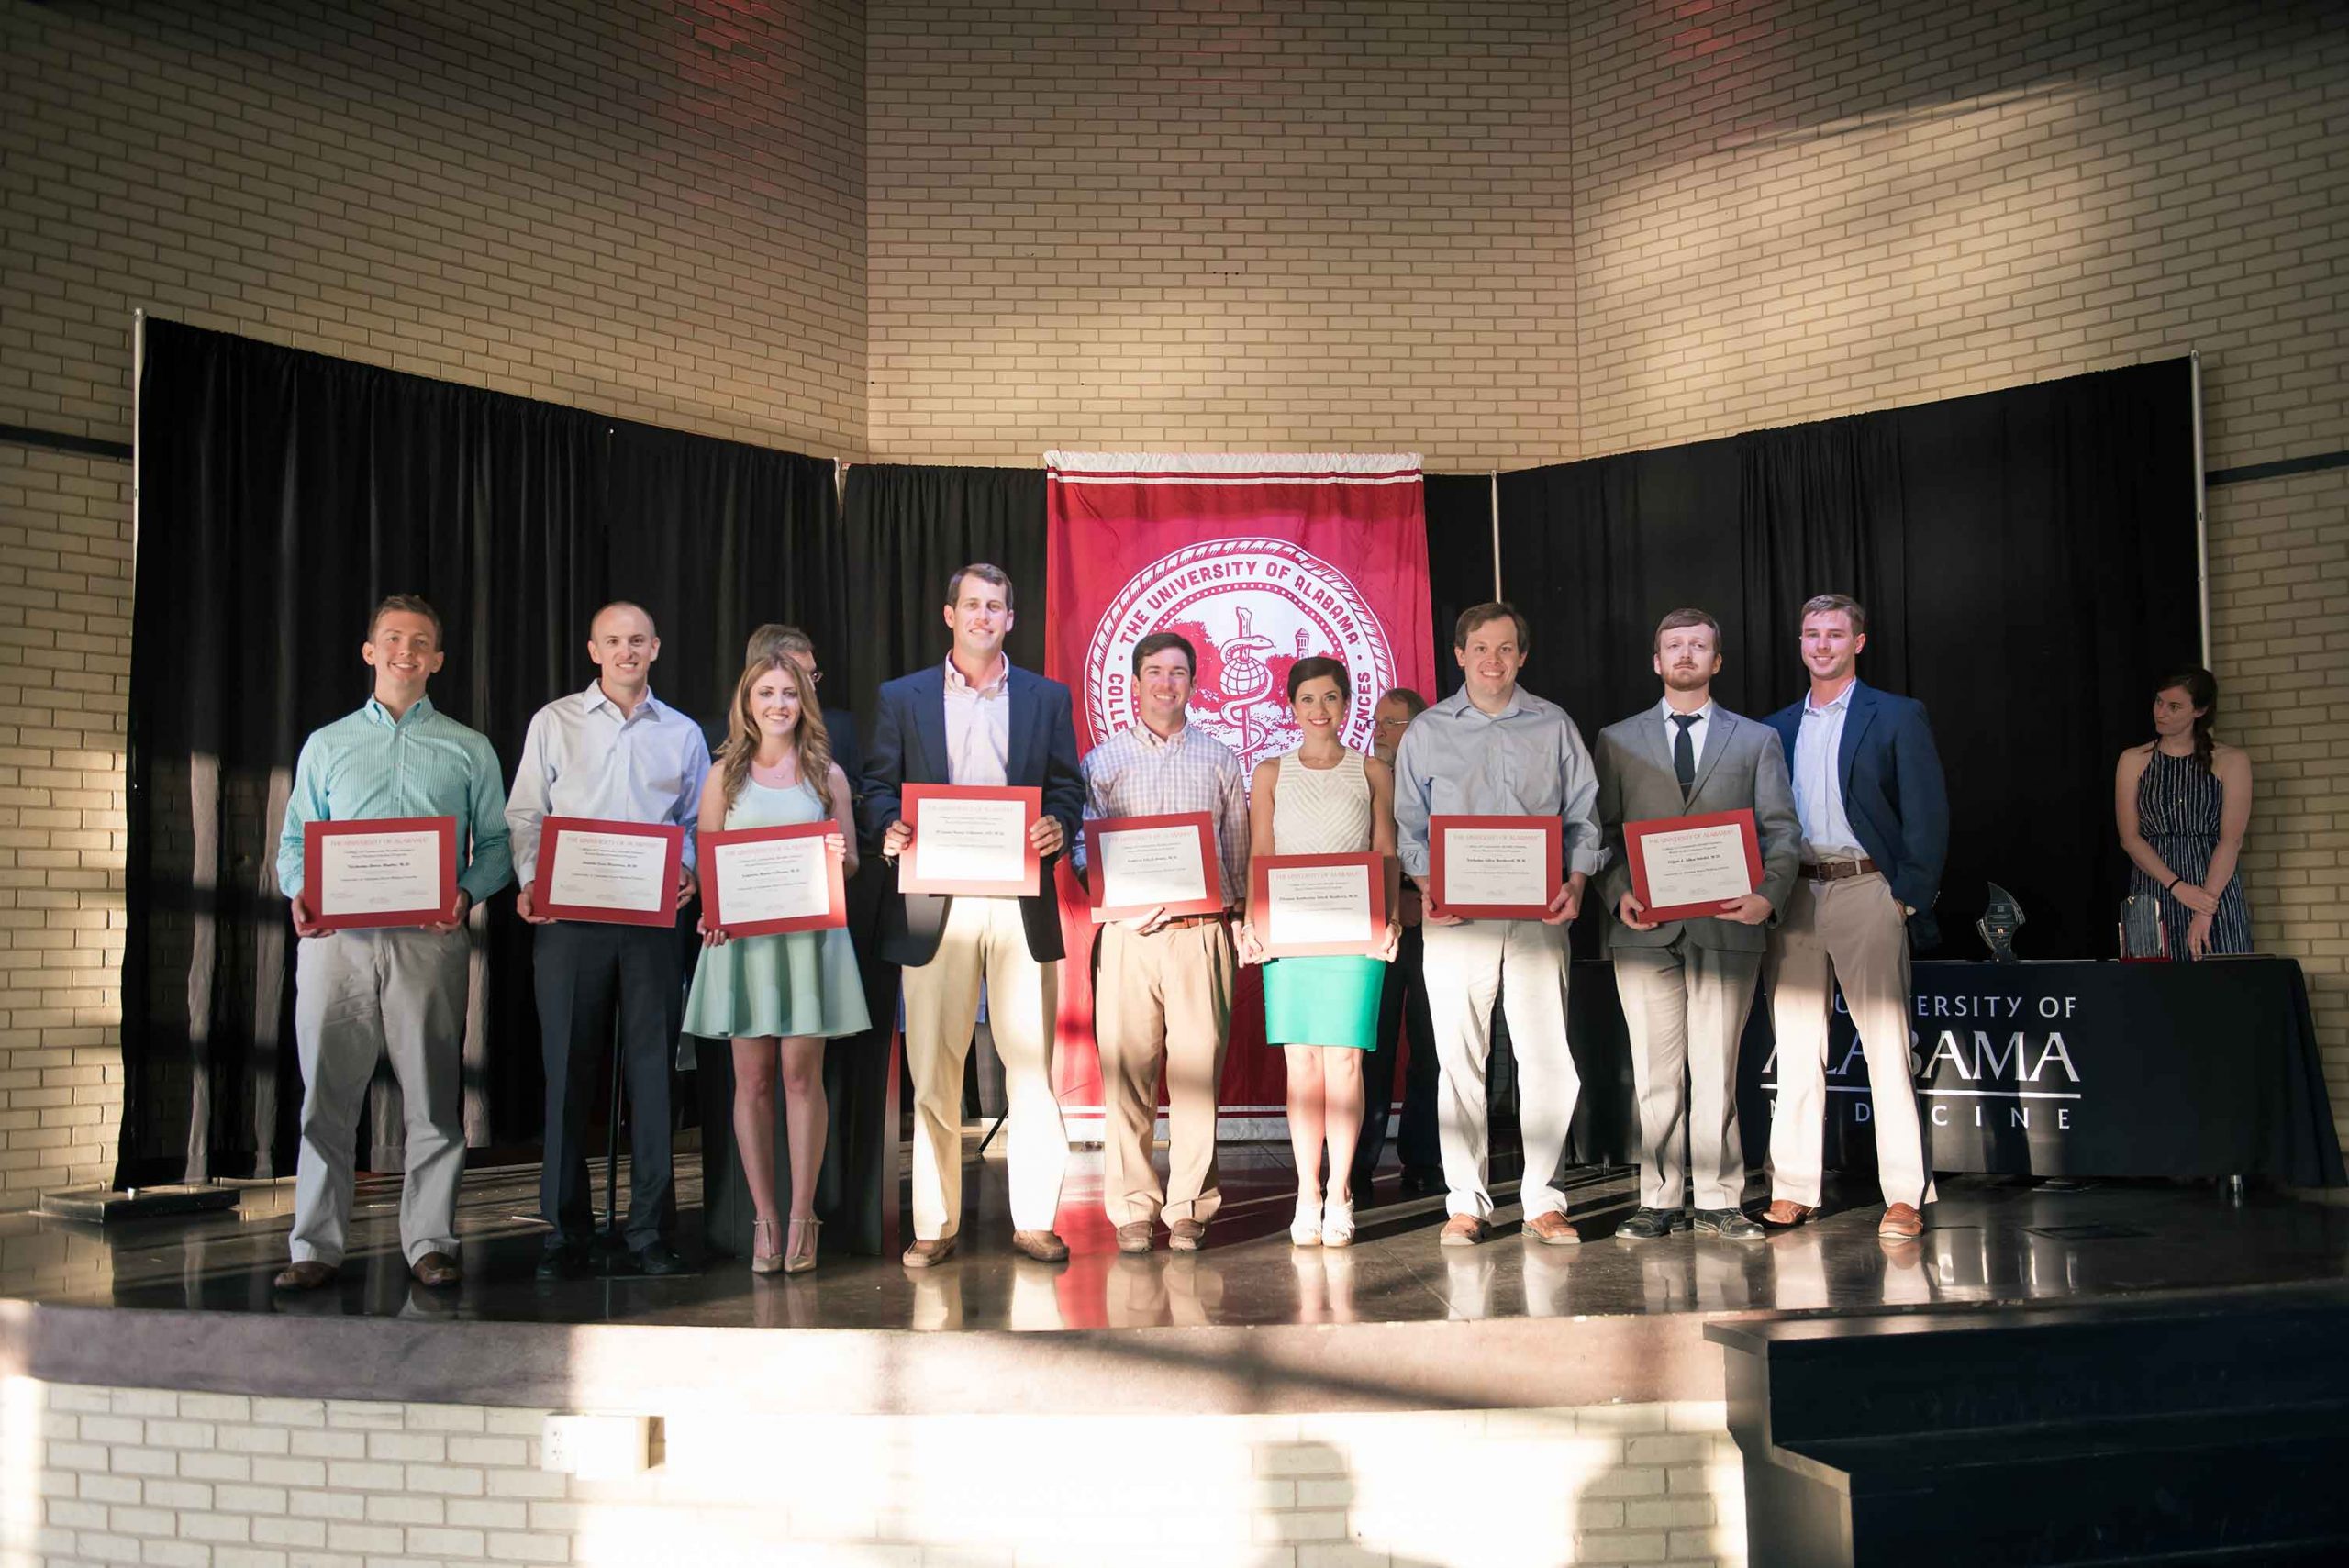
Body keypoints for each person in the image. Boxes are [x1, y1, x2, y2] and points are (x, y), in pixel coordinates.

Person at [273, 595, 512, 1291]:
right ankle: (314, 1246)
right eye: (394, 639)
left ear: (437, 659)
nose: (407, 651)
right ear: (370, 651)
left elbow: (497, 845)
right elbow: (294, 843)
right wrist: (301, 891)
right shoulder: (326, 744)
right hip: (337, 943)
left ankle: (431, 1241)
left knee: (434, 1099)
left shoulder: (469, 747)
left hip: (429, 943)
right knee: (325, 1099)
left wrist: (465, 893)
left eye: (421, 642)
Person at [864, 563, 1085, 1267]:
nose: (983, 615)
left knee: (1031, 1068)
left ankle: (1036, 1219)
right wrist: (887, 826)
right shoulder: (902, 697)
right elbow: (877, 786)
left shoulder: (1047, 697)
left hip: (1021, 901)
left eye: (995, 605)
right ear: (949, 614)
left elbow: (1067, 787)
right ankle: (933, 1223)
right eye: (972, 604)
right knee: (934, 1071)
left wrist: (1058, 824)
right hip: (935, 900)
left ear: (1010, 618)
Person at [507, 603, 709, 1279]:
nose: (627, 651)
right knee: (568, 1070)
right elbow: (526, 812)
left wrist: (687, 867)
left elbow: (695, 819)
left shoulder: (682, 733)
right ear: (594, 650)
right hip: (569, 922)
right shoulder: (554, 721)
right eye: (614, 641)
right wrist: (531, 879)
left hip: (652, 922)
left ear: (656, 648)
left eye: (637, 641)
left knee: (654, 1076)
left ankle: (649, 1229)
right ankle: (566, 1232)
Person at [1392, 603, 1604, 1247]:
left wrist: (1577, 881)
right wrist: (1427, 884)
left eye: (1506, 648)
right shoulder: (1427, 730)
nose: (1493, 660)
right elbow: (1408, 824)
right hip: (1456, 919)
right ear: (1459, 655)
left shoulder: (1554, 725)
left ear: (1522, 656)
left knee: (1547, 1060)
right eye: (1480, 648)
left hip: (1539, 916)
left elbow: (1584, 815)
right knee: (1459, 1061)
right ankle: (1466, 1202)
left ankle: (1544, 1199)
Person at [1595, 608, 1800, 1241]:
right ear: (1656, 661)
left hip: (1729, 924)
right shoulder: (1616, 740)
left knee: (1717, 1069)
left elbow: (1781, 831)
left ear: (1717, 661)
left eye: (1699, 645)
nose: (1686, 654)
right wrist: (1618, 892)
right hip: (1644, 928)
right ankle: (1657, 1199)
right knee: (1655, 1073)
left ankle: (1718, 1199)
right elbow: (1600, 832)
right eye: (1674, 645)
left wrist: (1767, 896)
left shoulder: (1756, 740)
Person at [1761, 594, 1948, 1240]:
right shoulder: (1776, 727)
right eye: (1811, 633)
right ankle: (1792, 1189)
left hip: (1868, 888)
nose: (1821, 645)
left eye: (1835, 634)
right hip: (1795, 895)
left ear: (1858, 643)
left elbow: (1927, 813)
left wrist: (1906, 896)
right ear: (1801, 642)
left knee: (1886, 1047)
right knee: (1795, 1049)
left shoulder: (1895, 715)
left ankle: (1904, 1194)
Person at [682, 653, 870, 1273]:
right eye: (765, 692)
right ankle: (764, 1216)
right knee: (753, 1081)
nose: (778, 704)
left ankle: (802, 1216)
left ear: (803, 701)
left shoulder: (826, 774)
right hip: (745, 944)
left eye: (789, 692)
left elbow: (850, 864)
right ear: (747, 701)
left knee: (799, 1077)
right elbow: (710, 861)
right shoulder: (724, 776)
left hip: (808, 944)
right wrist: (711, 911)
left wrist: (838, 854)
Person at [1080, 631, 1250, 1254]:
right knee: (1127, 1075)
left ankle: (1189, 1207)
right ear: (1134, 682)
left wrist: (1235, 918)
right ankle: (1132, 1206)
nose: (1166, 683)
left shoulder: (1219, 758)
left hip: (1199, 934)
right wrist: (1118, 902)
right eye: (1154, 671)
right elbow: (1083, 850)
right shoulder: (1102, 762)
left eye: (1178, 672)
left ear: (1193, 684)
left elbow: (1237, 849)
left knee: (1197, 1074)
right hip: (1128, 935)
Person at [1239, 656, 1400, 1249]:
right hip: (1290, 933)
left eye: (1331, 697)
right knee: (1302, 1064)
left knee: (1346, 1064)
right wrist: (1252, 922)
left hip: (1356, 933)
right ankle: (1307, 1191)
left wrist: (1390, 919)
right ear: (1291, 706)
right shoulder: (1270, 772)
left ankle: (1341, 1191)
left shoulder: (1373, 770)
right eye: (1307, 698)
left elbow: (1385, 850)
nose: (1319, 709)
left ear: (1346, 703)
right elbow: (1260, 852)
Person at [1355, 685, 1442, 1197]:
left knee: (1430, 1049)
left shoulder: (1439, 779)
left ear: (1419, 728)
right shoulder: (1363, 779)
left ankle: (1424, 1159)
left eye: (1392, 723)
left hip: (1435, 929)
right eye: (1377, 723)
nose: (1380, 732)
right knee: (1372, 1048)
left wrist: (1417, 895)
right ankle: (1358, 1164)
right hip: (1375, 930)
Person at [2116, 666, 2253, 958]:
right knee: (2153, 978)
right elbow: (2130, 838)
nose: (2161, 712)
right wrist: (2177, 887)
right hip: (2153, 884)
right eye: (2159, 702)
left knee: (2221, 974)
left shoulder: (2231, 760)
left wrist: (2205, 907)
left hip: (2213, 886)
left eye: (2174, 706)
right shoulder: (2132, 760)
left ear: (2199, 711)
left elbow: (2231, 840)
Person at [704, 625, 863, 807]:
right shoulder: (714, 747)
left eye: (812, 676)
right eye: (796, 675)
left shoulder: (838, 733)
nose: (810, 688)